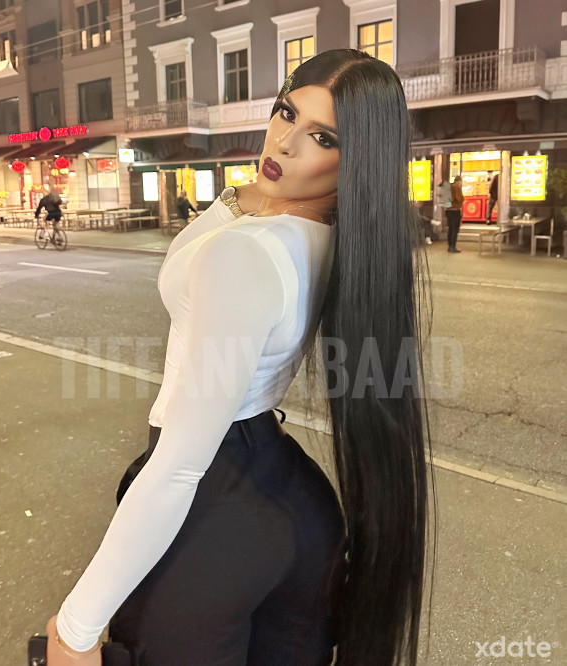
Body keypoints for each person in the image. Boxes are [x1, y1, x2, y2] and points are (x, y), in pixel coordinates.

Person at [45, 50, 436, 666]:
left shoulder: (248, 253)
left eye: (323, 138)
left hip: (216, 509)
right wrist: (242, 193)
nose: (284, 141)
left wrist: (75, 627)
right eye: (286, 112)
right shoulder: (336, 242)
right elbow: (188, 257)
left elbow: (180, 466)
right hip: (298, 505)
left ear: (356, 160)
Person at [446, 175, 464, 252]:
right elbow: (460, 198)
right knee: (455, 229)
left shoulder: (449, 187)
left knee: (450, 228)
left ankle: (449, 245)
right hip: (455, 210)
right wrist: (463, 199)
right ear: (459, 181)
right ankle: (453, 246)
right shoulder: (457, 187)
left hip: (448, 210)